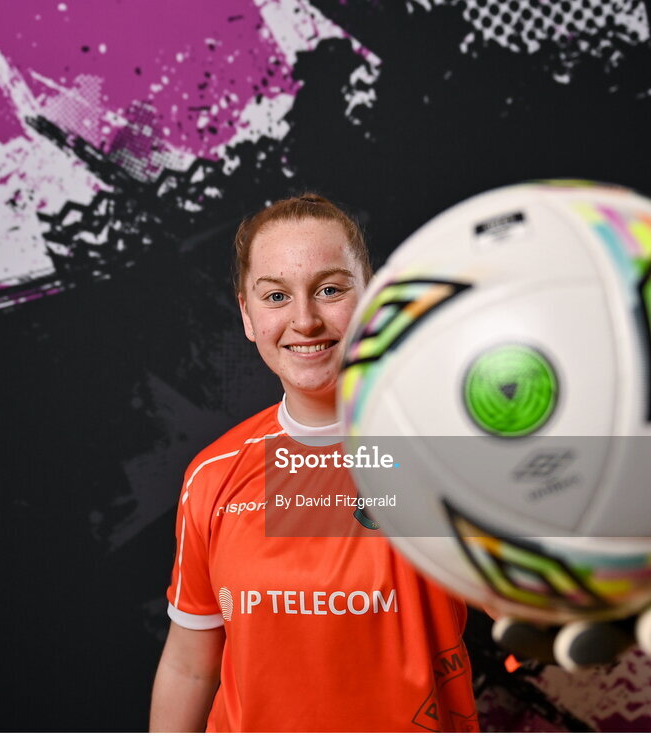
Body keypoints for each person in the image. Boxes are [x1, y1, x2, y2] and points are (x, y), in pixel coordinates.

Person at [149, 194, 480, 732]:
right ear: (248, 315)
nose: (304, 320)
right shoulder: (213, 474)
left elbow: (539, 605)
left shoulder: (444, 451)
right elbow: (189, 665)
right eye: (276, 296)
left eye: (330, 290)